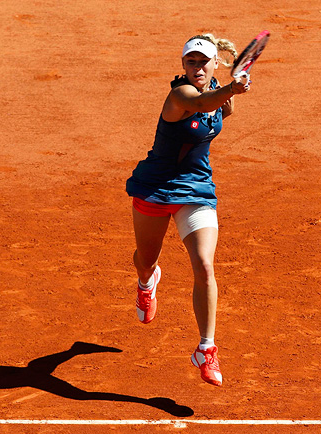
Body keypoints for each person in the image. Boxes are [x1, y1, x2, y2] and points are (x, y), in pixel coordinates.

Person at [125, 33, 250, 387]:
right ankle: (147, 282)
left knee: (205, 265)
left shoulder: (217, 96)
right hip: (155, 188)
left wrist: (233, 90)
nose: (196, 67)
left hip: (195, 190)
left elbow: (220, 110)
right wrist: (231, 88)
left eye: (202, 62)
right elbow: (206, 102)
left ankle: (206, 349)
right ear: (183, 66)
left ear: (214, 65)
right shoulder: (180, 95)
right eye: (190, 62)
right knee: (146, 259)